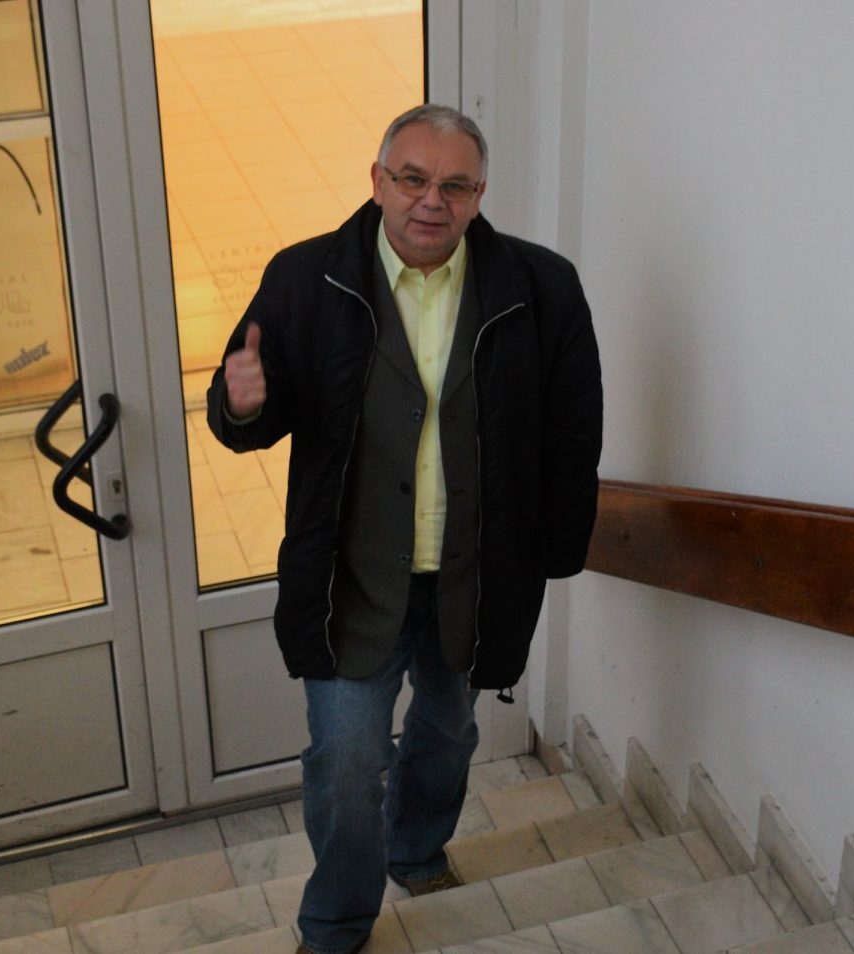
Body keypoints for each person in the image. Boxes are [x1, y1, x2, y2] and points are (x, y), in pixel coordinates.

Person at [207, 103, 602, 954]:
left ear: (480, 194)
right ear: (378, 181)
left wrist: (558, 551)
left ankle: (417, 848)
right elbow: (248, 412)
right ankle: (337, 921)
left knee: (449, 730)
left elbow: (575, 428)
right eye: (413, 179)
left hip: (477, 576)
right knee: (347, 760)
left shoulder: (541, 287)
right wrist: (242, 406)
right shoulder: (306, 277)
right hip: (350, 580)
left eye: (455, 185)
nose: (432, 201)